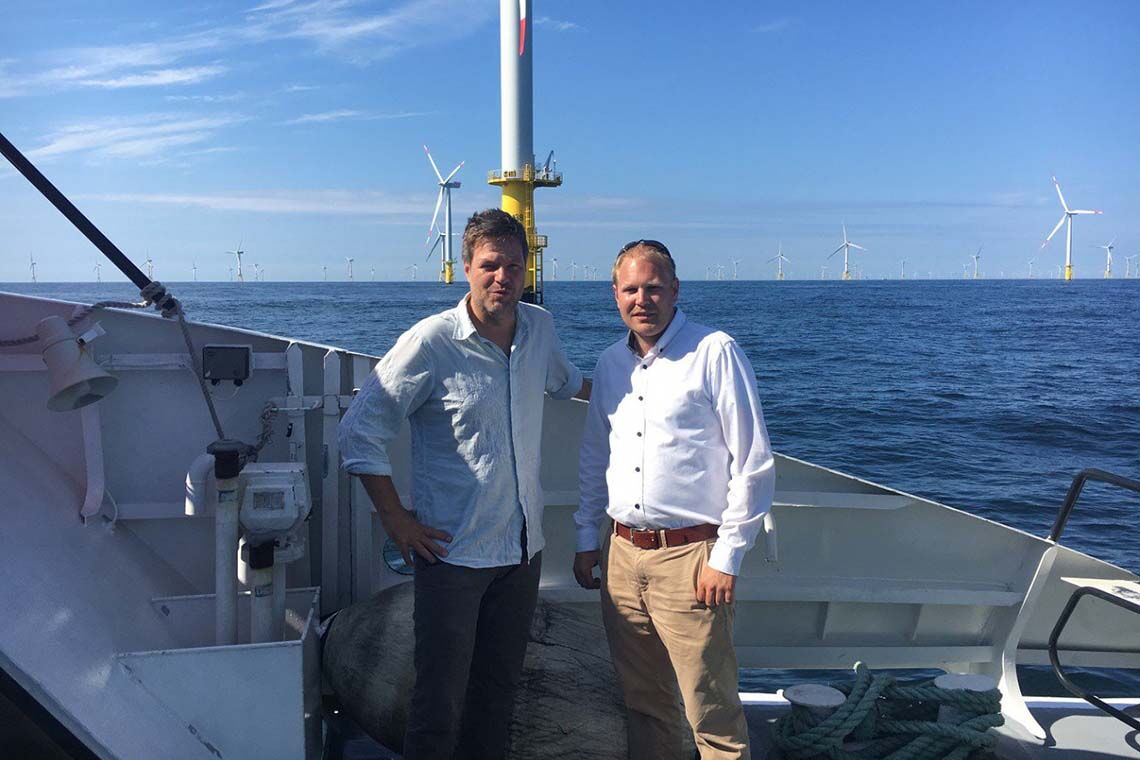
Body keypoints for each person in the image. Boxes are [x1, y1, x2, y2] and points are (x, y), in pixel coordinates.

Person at [339, 208, 588, 760]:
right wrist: (395, 519)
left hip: (522, 553)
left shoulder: (539, 328)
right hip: (453, 556)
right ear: (464, 268)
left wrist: (656, 397)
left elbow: (570, 385)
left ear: (529, 272)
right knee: (437, 703)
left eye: (515, 268)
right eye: (491, 266)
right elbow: (359, 433)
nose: (504, 278)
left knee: (498, 695)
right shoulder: (431, 342)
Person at [573, 240, 774, 760]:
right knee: (643, 704)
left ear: (675, 290)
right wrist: (585, 539)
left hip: (692, 562)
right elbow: (597, 457)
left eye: (654, 287)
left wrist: (726, 558)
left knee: (711, 713)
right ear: (614, 295)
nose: (643, 299)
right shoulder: (610, 364)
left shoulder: (714, 352)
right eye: (632, 289)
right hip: (620, 555)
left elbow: (752, 462)